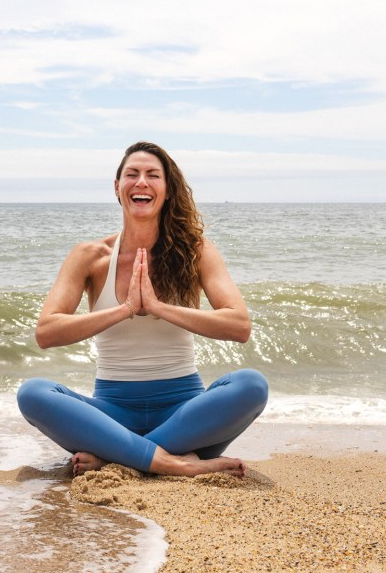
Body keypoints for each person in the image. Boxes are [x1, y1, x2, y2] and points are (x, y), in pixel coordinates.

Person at [17, 141, 268, 477]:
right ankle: (172, 461)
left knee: (252, 385)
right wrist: (125, 309)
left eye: (153, 175)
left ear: (166, 190)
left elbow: (239, 326)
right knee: (33, 393)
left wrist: (158, 307)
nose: (141, 182)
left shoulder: (196, 251)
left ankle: (119, 456)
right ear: (117, 187)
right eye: (131, 174)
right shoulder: (90, 256)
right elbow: (47, 332)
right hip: (111, 413)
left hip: (185, 415)